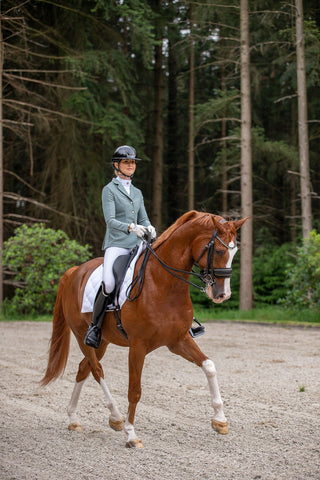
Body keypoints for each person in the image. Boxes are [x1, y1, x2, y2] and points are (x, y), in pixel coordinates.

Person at [84, 145, 156, 349]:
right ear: (116, 165)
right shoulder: (109, 190)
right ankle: (95, 327)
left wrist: (149, 227)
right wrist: (132, 228)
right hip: (117, 244)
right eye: (126, 162)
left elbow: (143, 217)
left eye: (132, 162)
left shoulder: (138, 192)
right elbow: (111, 221)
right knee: (108, 283)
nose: (130, 165)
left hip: (138, 244)